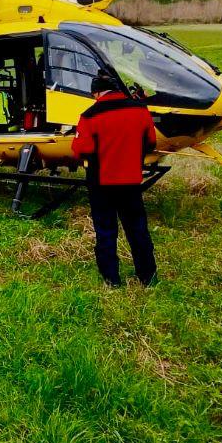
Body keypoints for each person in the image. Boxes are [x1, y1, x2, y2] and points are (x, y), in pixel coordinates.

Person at [72, 72, 158, 287]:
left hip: (101, 184)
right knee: (138, 229)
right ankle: (148, 276)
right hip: (131, 182)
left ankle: (111, 279)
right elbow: (150, 142)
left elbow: (81, 149)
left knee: (106, 231)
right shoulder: (140, 110)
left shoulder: (90, 116)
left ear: (97, 92)